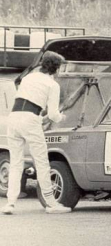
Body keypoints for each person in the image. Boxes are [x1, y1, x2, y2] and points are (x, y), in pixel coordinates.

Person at [2, 51, 72, 215]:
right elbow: (54, 114)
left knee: (16, 162)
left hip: (14, 118)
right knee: (41, 162)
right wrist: (61, 118)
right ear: (56, 68)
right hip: (30, 120)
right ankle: (51, 203)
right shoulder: (52, 85)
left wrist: (41, 118)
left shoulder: (28, 78)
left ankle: (10, 203)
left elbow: (26, 103)